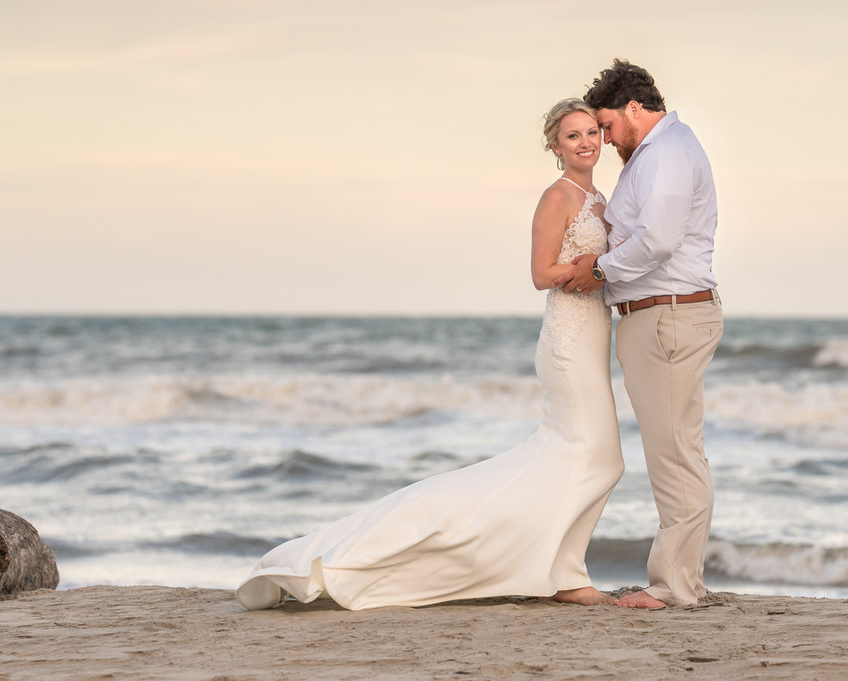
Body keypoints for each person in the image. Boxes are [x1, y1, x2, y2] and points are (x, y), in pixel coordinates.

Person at [236, 98, 624, 610]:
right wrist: (594, 262)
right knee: (598, 457)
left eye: (592, 132)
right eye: (573, 136)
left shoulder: (598, 196)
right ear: (556, 147)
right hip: (568, 339)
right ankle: (566, 575)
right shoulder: (557, 197)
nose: (586, 143)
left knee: (591, 458)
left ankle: (559, 569)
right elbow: (540, 275)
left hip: (595, 336)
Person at [558, 59, 723, 609]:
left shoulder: (669, 153)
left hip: (668, 315)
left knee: (673, 453)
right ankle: (681, 581)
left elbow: (658, 240)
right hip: (658, 315)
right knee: (677, 449)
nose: (603, 138)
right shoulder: (653, 154)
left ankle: (674, 586)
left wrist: (600, 269)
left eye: (606, 126)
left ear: (633, 109)